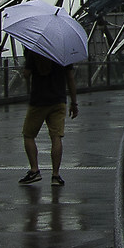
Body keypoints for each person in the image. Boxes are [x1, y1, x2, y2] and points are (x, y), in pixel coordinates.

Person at [20, 46, 81, 186]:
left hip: (38, 100)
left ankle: (34, 170)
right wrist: (74, 103)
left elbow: (26, 74)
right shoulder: (62, 52)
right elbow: (70, 78)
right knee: (56, 137)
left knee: (28, 135)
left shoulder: (34, 51)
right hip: (58, 100)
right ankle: (55, 175)